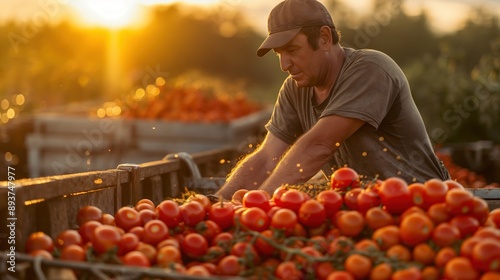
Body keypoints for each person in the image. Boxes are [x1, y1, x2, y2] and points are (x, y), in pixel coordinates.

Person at [215, 0, 450, 200]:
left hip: (420, 205)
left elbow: (320, 145)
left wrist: (260, 203)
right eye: (279, 54)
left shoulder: (371, 70)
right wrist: (218, 202)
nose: (284, 65)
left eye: (292, 50)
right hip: (361, 210)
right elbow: (267, 157)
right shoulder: (294, 90)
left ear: (325, 38)